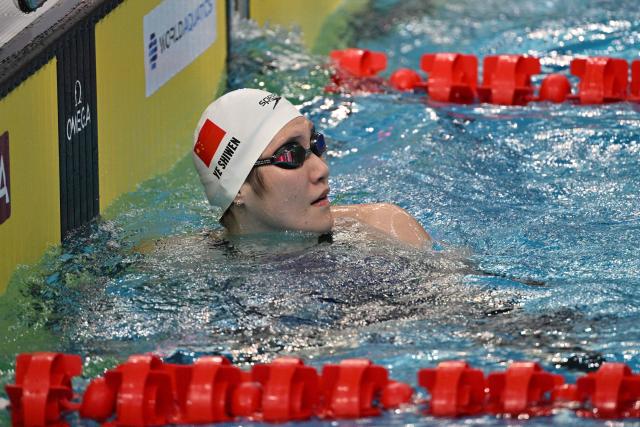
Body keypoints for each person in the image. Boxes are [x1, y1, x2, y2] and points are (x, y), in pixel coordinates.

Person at [192, 88, 431, 248]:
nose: (321, 169)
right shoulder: (186, 265)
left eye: (316, 144)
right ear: (238, 189)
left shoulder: (385, 231)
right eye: (290, 154)